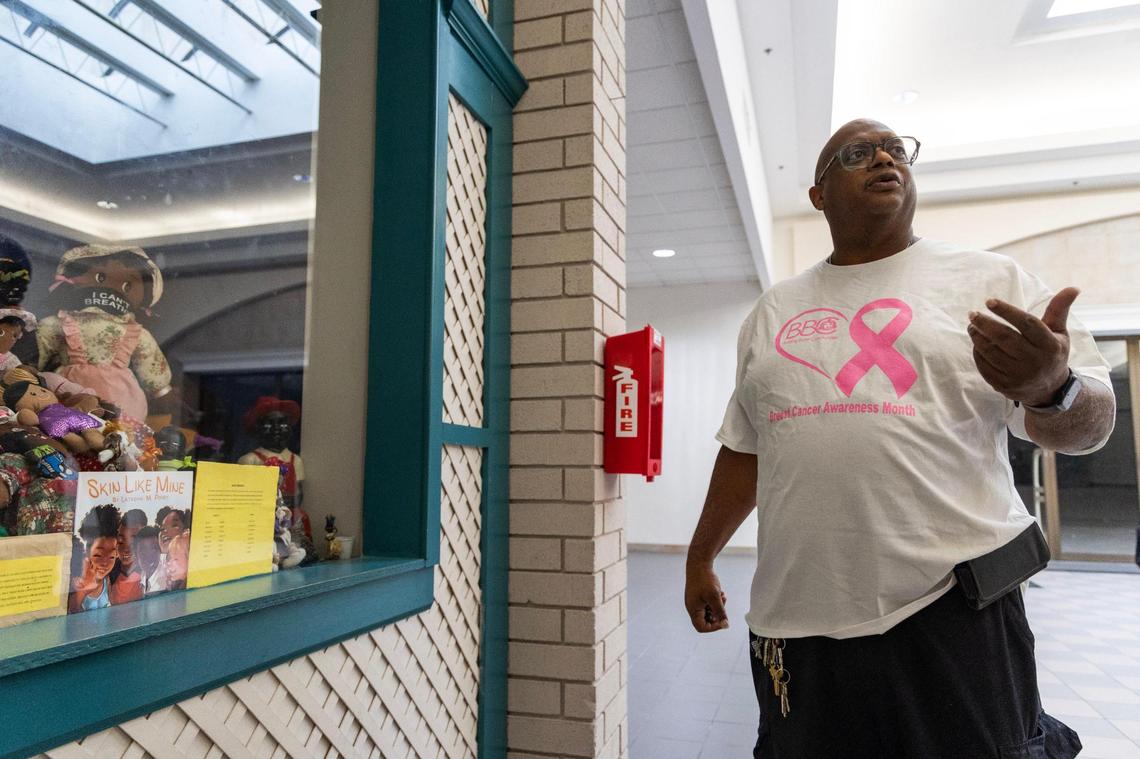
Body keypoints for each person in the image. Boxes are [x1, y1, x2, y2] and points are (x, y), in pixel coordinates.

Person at [683, 119, 1116, 759]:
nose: (885, 159)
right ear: (818, 195)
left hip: (953, 609)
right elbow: (747, 448)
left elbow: (1093, 426)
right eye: (858, 153)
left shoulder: (989, 280)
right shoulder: (772, 311)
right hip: (796, 620)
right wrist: (700, 556)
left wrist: (1054, 387)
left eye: (896, 149)